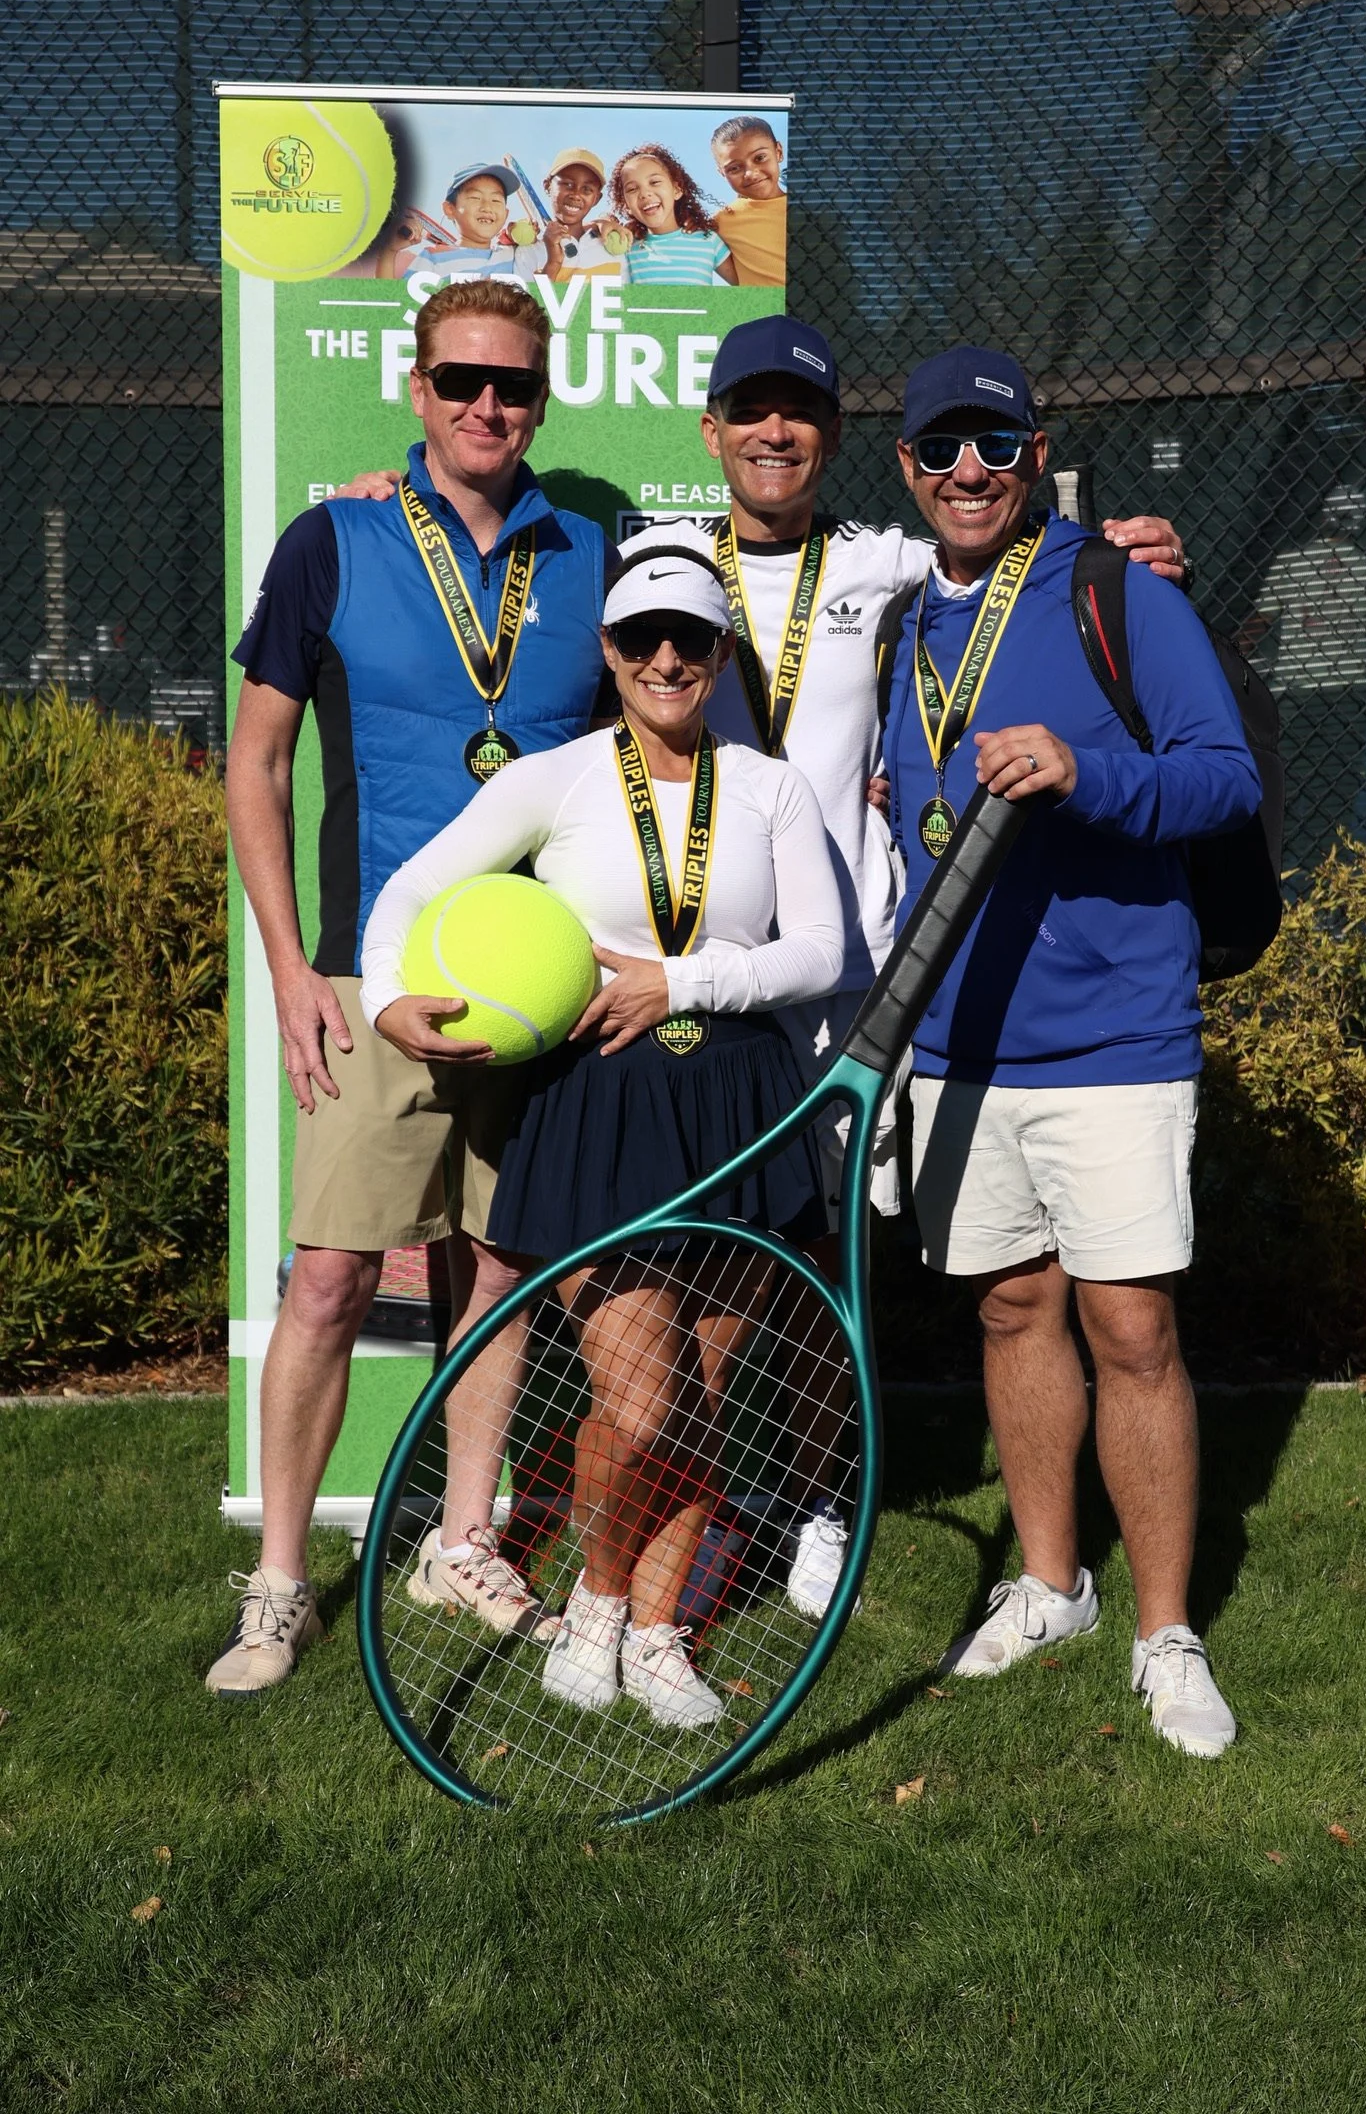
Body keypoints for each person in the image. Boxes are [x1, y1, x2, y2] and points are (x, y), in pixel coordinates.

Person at [337, 315, 1189, 1619]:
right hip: (702, 997)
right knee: (709, 1268)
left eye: (799, 411)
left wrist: (1120, 542)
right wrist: (390, 502)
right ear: (712, 431)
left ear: (836, 437)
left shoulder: (889, 561)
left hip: (851, 980)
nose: (774, 431)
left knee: (817, 1259)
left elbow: (996, 533)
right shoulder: (659, 565)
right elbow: (520, 532)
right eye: (750, 410)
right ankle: (692, 1511)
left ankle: (815, 1500)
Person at [210, 277, 617, 1696]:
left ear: (544, 395)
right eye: (459, 381)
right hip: (365, 974)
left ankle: (463, 1540)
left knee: (495, 1270)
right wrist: (288, 970)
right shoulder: (333, 538)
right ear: (416, 384)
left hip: (535, 985)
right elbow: (256, 764)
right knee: (327, 1280)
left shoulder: (598, 550)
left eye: (510, 385)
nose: (485, 407)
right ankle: (277, 1584)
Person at [360, 541, 843, 1728]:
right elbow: (412, 893)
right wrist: (383, 995)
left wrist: (674, 986)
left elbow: (823, 955)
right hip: (603, 1106)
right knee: (645, 1403)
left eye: (690, 639)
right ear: (612, 657)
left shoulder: (772, 786)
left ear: (721, 654)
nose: (667, 659)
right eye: (641, 641)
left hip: (738, 1098)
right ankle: (597, 1598)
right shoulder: (558, 779)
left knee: (712, 1392)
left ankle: (663, 1626)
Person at [881, 345, 1261, 1758]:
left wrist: (1084, 770)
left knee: (1133, 1328)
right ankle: (1052, 1586)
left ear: (1037, 453)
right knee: (1009, 1312)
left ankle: (1169, 1635)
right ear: (907, 470)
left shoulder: (1114, 587)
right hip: (956, 1044)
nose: (967, 470)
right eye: (939, 450)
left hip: (1114, 1036)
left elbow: (1223, 778)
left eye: (993, 445)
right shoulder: (893, 619)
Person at [1238, 483, 1366, 869]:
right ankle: (1326, 867)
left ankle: (1285, 868)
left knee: (1288, 786)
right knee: (1337, 791)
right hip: (1344, 695)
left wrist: (1220, 667)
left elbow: (1255, 629)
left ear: (1322, 516)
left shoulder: (1292, 564)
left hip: (1293, 691)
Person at [609, 145, 738, 285]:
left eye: (655, 182)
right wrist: (604, 220)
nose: (645, 194)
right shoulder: (628, 246)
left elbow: (746, 285)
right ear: (626, 205)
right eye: (632, 189)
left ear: (677, 190)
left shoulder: (708, 240)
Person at [392, 164, 527, 283]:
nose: (487, 207)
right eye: (475, 198)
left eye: (496, 200)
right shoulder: (432, 258)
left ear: (506, 214)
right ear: (450, 209)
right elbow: (399, 305)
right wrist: (390, 252)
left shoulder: (514, 255)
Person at [514, 147, 629, 284]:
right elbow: (526, 305)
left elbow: (625, 302)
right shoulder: (528, 251)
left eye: (587, 189)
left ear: (596, 199)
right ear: (547, 186)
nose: (576, 195)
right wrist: (553, 262)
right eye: (567, 184)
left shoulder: (612, 246)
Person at [708, 114, 788, 289]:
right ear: (722, 172)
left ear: (778, 152)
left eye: (759, 158)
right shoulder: (720, 222)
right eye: (734, 168)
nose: (751, 173)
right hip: (768, 311)